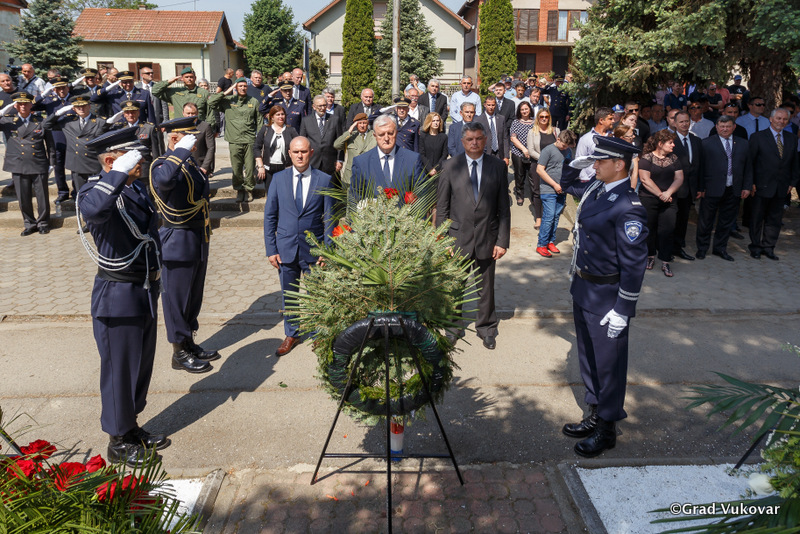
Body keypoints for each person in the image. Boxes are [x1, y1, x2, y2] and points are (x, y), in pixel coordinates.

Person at [76, 127, 169, 466]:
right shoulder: (94, 191)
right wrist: (115, 173)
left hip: (143, 289)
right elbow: (93, 212)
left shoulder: (134, 188)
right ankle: (117, 440)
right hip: (118, 295)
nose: (139, 160)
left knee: (139, 366)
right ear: (111, 161)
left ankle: (130, 426)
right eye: (131, 156)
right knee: (120, 371)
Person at [560, 135, 648, 458]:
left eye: (600, 161)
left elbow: (634, 264)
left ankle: (607, 427)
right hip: (584, 288)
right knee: (589, 358)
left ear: (619, 165)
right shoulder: (598, 188)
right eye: (594, 160)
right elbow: (566, 185)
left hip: (608, 296)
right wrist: (574, 163)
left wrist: (623, 308)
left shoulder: (628, 206)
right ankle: (595, 413)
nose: (595, 165)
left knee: (609, 365)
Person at [150, 117, 219, 374]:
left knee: (192, 297)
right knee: (176, 300)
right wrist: (178, 153)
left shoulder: (189, 163)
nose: (194, 143)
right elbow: (164, 182)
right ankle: (178, 352)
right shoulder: (163, 164)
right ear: (174, 138)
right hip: (177, 241)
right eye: (188, 138)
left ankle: (189, 342)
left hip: (197, 237)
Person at [436, 122, 510, 350]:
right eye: (470, 139)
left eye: (479, 138)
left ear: (485, 140)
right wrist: (443, 239)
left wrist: (502, 241)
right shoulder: (450, 166)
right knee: (454, 286)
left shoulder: (497, 166)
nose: (474, 143)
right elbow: (442, 207)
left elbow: (503, 208)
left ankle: (486, 328)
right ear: (463, 141)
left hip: (488, 237)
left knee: (486, 288)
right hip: (457, 239)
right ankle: (453, 326)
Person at [264, 136, 334, 357]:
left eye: (304, 151)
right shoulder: (279, 179)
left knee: (316, 294)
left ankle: (318, 332)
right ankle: (292, 333)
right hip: (286, 249)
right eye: (296, 152)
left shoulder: (324, 179)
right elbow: (270, 216)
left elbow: (330, 218)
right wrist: (271, 249)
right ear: (289, 154)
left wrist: (327, 250)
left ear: (311, 152)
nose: (300, 156)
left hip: (314, 250)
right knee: (290, 295)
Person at [695, 115, 752, 261]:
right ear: (717, 127)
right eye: (722, 126)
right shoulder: (706, 143)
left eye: (728, 126)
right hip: (711, 188)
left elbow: (748, 167)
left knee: (726, 222)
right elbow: (700, 168)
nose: (725, 129)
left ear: (734, 127)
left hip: (733, 188)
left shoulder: (744, 144)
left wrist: (746, 186)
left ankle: (720, 249)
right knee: (706, 221)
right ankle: (702, 248)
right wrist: (700, 188)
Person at [42, 94, 113, 202]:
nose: (81, 109)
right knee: (81, 195)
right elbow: (46, 125)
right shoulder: (68, 122)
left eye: (84, 106)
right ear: (74, 109)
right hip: (77, 164)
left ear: (89, 106)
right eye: (78, 107)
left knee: (97, 195)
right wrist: (58, 113)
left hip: (94, 164)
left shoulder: (99, 121)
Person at [747, 108, 798, 260]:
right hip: (760, 186)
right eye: (778, 118)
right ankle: (755, 247)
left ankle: (768, 247)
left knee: (774, 219)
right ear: (771, 119)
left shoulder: (792, 138)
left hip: (782, 186)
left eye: (784, 119)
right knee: (756, 218)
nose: (781, 122)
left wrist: (792, 183)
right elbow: (750, 162)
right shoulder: (758, 137)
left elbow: (795, 163)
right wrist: (751, 183)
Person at [0, 92, 50, 234]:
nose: (23, 106)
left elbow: (50, 144)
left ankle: (43, 222)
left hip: (38, 162)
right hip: (18, 164)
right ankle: (29, 223)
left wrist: (52, 163)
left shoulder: (40, 121)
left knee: (42, 196)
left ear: (30, 105)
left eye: (25, 103)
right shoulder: (8, 121)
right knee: (23, 197)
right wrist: (2, 111)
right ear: (15, 105)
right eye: (19, 104)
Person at [208, 77, 264, 202]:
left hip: (249, 140)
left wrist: (259, 139)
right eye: (240, 86)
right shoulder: (228, 101)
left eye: (244, 86)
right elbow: (211, 102)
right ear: (236, 88)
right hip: (234, 140)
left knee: (250, 168)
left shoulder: (253, 101)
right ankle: (239, 189)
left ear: (247, 87)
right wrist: (228, 91)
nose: (242, 88)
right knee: (237, 168)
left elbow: (259, 121)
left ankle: (249, 189)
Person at [637, 129, 684, 277]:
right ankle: (650, 256)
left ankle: (665, 261)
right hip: (649, 199)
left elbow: (679, 178)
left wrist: (668, 193)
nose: (673, 145)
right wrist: (660, 194)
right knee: (649, 228)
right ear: (660, 143)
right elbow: (645, 179)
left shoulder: (674, 158)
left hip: (669, 200)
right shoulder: (646, 158)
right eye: (670, 142)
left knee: (668, 230)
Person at [349, 114, 425, 200]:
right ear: (375, 136)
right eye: (381, 134)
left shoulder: (412, 160)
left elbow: (422, 195)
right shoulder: (361, 162)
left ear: (396, 133)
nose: (386, 138)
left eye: (390, 133)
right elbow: (355, 198)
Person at [535, 129, 577, 257]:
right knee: (549, 216)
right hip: (548, 189)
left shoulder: (568, 151)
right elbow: (540, 170)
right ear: (558, 139)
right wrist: (554, 184)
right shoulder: (548, 150)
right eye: (563, 145)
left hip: (562, 189)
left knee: (556, 216)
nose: (565, 148)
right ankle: (542, 244)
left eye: (567, 146)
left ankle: (550, 241)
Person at [670, 110, 703, 261]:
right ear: (675, 123)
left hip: (689, 189)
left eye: (686, 121)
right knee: (670, 220)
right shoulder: (669, 141)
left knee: (683, 220)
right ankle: (666, 248)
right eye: (681, 121)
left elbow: (700, 166)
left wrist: (700, 188)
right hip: (672, 188)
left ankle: (678, 247)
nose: (684, 124)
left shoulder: (696, 141)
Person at [526, 107, 560, 227]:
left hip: (552, 166)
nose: (544, 119)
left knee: (551, 190)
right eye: (542, 117)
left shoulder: (556, 131)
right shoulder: (532, 132)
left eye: (546, 117)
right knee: (537, 191)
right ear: (538, 118)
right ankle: (539, 217)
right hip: (537, 164)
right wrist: (544, 159)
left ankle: (549, 216)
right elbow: (531, 151)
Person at [256, 106, 298, 194]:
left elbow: (297, 148)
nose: (281, 117)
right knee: (271, 195)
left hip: (286, 169)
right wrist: (260, 166)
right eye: (278, 114)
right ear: (272, 117)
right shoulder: (265, 129)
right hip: (269, 169)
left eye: (282, 114)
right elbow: (256, 147)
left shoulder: (291, 130)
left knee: (285, 194)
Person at [299, 94, 344, 177]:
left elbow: (339, 141)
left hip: (331, 162)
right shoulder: (306, 121)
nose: (322, 108)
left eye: (324, 105)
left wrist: (340, 160)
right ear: (314, 107)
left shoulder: (334, 120)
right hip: (312, 161)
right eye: (320, 106)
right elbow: (302, 142)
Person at [91, 70, 157, 125]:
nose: (128, 84)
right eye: (125, 82)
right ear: (120, 83)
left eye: (130, 81)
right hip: (120, 127)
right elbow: (93, 99)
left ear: (133, 81)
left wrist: (152, 127)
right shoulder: (114, 94)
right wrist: (110, 87)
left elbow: (150, 113)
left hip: (140, 127)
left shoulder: (144, 93)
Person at [333, 111, 375, 188]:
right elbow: (336, 145)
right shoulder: (350, 136)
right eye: (359, 123)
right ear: (356, 125)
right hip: (350, 176)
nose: (362, 126)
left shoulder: (374, 135)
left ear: (368, 123)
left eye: (364, 123)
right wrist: (349, 130)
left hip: (369, 175)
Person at [575, 107, 615, 183]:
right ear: (601, 120)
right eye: (610, 119)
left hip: (609, 181)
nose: (613, 121)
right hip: (589, 180)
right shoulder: (586, 139)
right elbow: (579, 161)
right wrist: (584, 179)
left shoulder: (613, 137)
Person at [509, 101, 536, 207]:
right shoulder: (516, 122)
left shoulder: (535, 122)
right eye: (522, 109)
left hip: (533, 154)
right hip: (518, 153)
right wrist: (524, 149)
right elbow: (513, 138)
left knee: (533, 176)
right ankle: (520, 195)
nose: (524, 111)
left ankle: (534, 197)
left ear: (530, 109)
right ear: (519, 111)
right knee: (519, 175)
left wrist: (531, 151)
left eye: (526, 109)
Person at [182, 102, 216, 176]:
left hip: (200, 166)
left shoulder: (205, 126)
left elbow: (211, 148)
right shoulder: (178, 127)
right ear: (183, 113)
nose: (190, 116)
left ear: (197, 113)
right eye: (188, 113)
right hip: (182, 167)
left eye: (193, 113)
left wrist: (205, 167)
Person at [476, 95, 509, 164]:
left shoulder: (501, 118)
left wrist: (506, 156)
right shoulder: (478, 120)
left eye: (493, 105)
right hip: (485, 153)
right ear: (485, 105)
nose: (491, 107)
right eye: (489, 105)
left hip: (499, 153)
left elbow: (505, 138)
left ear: (495, 105)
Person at [418, 112, 447, 178]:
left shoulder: (444, 137)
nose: (436, 123)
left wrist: (436, 168)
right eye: (433, 121)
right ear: (429, 122)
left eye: (437, 121)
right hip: (425, 171)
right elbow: (422, 154)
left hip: (439, 171)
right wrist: (429, 168)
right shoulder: (423, 137)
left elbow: (444, 154)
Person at [613, 125, 640, 190]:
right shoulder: (612, 151)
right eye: (631, 135)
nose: (634, 136)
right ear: (622, 138)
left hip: (627, 186)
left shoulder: (633, 150)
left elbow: (634, 173)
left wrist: (632, 190)